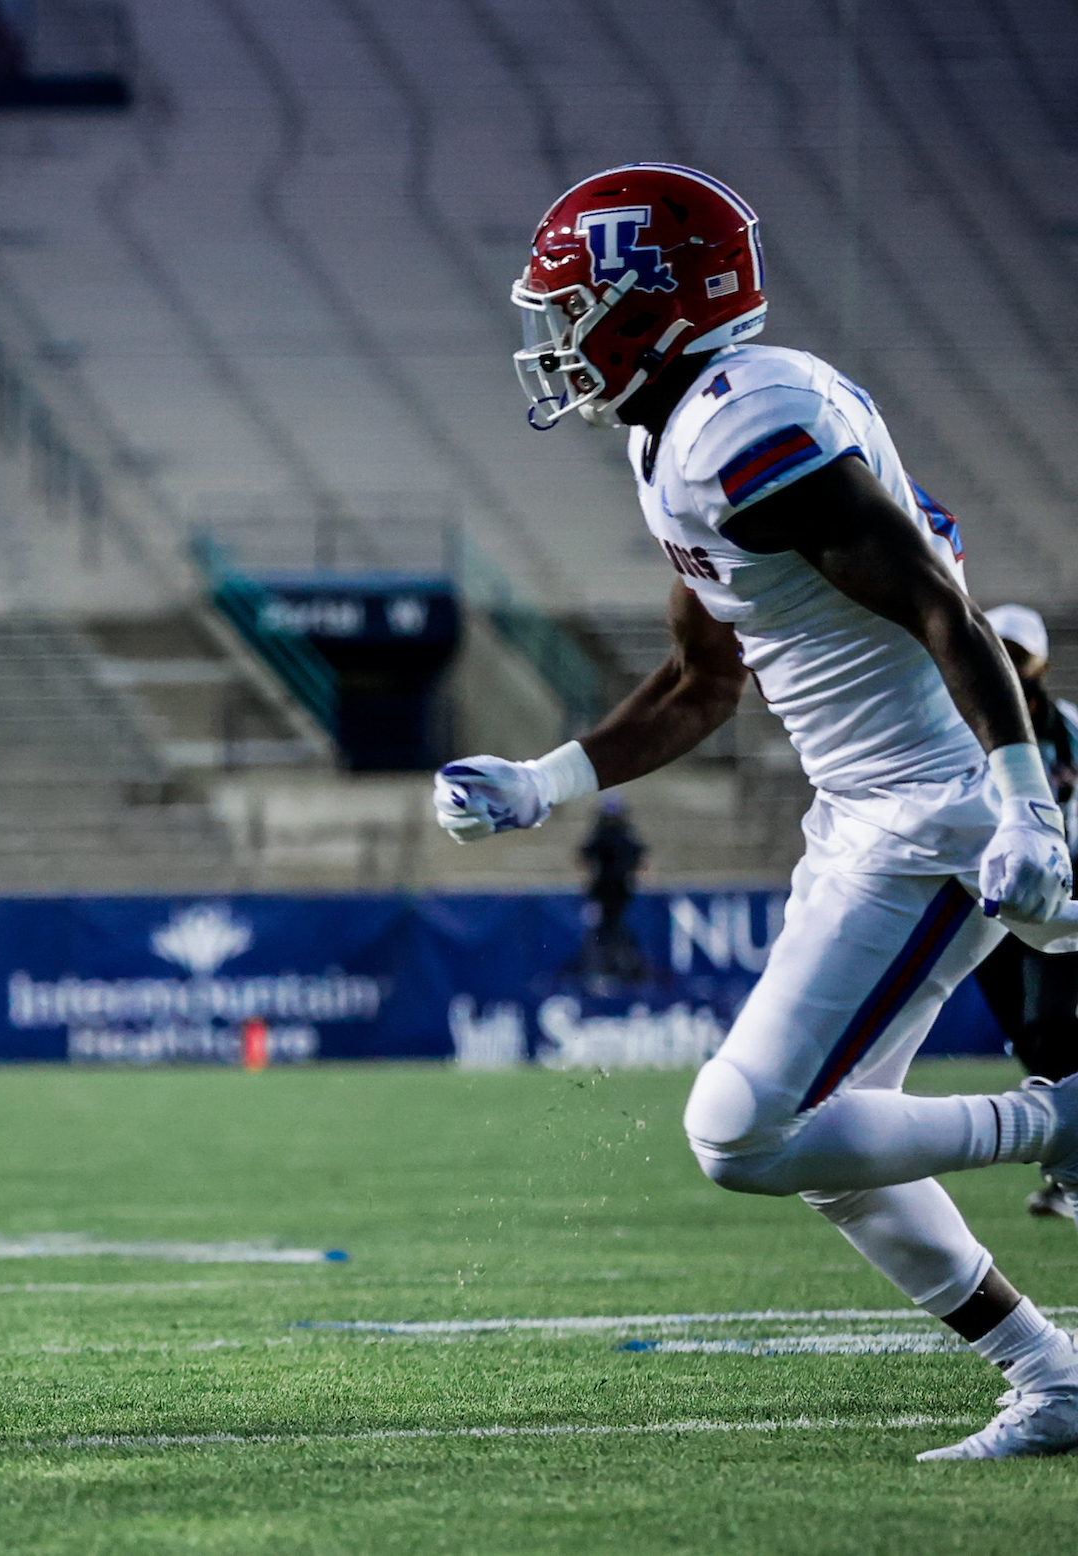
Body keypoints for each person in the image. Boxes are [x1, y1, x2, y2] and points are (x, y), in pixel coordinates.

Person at [433, 164, 1078, 1461]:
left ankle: (1060, 1116)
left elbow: (942, 612)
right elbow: (704, 678)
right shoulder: (674, 433)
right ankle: (1054, 1382)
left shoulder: (744, 427)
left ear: (647, 306)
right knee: (830, 1142)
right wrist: (539, 785)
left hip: (940, 809)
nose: (550, 338)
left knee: (740, 1130)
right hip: (868, 813)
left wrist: (1024, 807)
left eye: (569, 307)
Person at [970, 605, 1078, 1218]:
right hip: (988, 895)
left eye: (1018, 653)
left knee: (1048, 1023)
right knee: (1028, 1033)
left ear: (1039, 663)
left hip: (1061, 892)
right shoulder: (968, 728)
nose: (1008, 664)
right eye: (998, 650)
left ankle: (1071, 1166)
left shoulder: (1070, 730)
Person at [577, 795, 649, 991]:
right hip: (614, 893)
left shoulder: (608, 838)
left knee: (611, 934)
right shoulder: (618, 838)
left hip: (612, 893)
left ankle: (616, 973)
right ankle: (611, 973)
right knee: (609, 934)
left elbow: (584, 859)